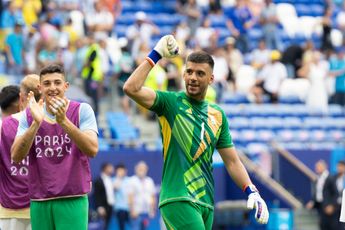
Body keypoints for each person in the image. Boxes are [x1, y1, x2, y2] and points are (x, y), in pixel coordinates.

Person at [123, 35, 269, 229]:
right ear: (183, 75)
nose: (192, 77)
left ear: (211, 79)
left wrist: (252, 191)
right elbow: (131, 88)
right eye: (189, 72)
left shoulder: (218, 115)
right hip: (178, 198)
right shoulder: (170, 103)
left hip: (206, 203)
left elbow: (232, 161)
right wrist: (156, 54)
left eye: (200, 74)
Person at [11, 64, 99, 230]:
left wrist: (64, 122)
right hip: (39, 200)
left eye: (57, 82)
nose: (52, 87)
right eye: (47, 83)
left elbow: (92, 149)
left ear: (66, 86)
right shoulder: (31, 115)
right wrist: (35, 125)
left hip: (73, 198)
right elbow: (16, 156)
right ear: (40, 87)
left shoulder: (82, 110)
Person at [0, 75, 41, 230]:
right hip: (40, 206)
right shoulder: (52, 123)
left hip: (9, 209)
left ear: (22, 97)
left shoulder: (4, 126)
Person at [306, 160, 338, 230]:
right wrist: (313, 202)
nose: (316, 168)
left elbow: (335, 193)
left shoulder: (330, 178)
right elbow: (318, 193)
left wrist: (332, 205)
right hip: (320, 206)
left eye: (318, 167)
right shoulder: (318, 178)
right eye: (316, 167)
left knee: (331, 226)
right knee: (322, 225)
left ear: (324, 167)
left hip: (328, 207)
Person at [128, 161, 156, 230]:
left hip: (147, 212)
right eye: (140, 169)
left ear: (146, 170)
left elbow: (153, 196)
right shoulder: (132, 180)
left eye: (143, 169)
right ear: (136, 169)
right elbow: (130, 196)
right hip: (136, 212)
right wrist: (132, 210)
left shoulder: (150, 181)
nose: (142, 171)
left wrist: (153, 209)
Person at [94, 162, 115, 230]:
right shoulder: (98, 180)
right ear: (105, 168)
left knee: (107, 226)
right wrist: (100, 207)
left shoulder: (110, 179)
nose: (112, 169)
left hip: (110, 206)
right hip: (103, 207)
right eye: (110, 168)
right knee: (101, 226)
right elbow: (97, 195)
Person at [113, 163, 131, 230]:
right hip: (119, 208)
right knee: (121, 227)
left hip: (129, 208)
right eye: (119, 171)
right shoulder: (113, 180)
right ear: (116, 172)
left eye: (122, 171)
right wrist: (118, 177)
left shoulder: (129, 180)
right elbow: (115, 187)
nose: (121, 172)